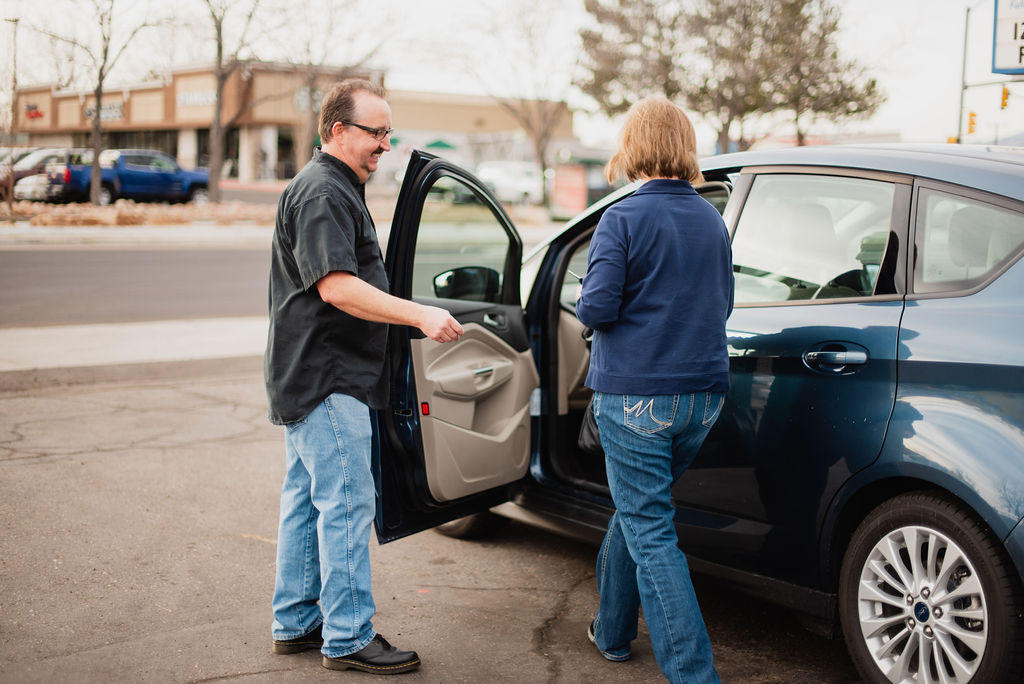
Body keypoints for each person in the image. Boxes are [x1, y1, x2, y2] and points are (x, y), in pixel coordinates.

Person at [264, 78, 463, 675]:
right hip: (329, 378)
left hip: (309, 374)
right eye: (375, 132)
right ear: (336, 131)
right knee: (348, 503)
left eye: (387, 132)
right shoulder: (324, 192)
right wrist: (420, 313)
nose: (385, 142)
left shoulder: (332, 187)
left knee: (307, 501)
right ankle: (348, 637)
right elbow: (338, 287)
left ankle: (296, 621)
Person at [575, 97, 733, 684]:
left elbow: (596, 307)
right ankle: (613, 633)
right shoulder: (712, 219)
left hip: (637, 396)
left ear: (633, 147)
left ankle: (695, 675)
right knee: (639, 510)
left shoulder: (621, 218)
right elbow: (723, 304)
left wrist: (585, 298)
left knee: (651, 532)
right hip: (704, 397)